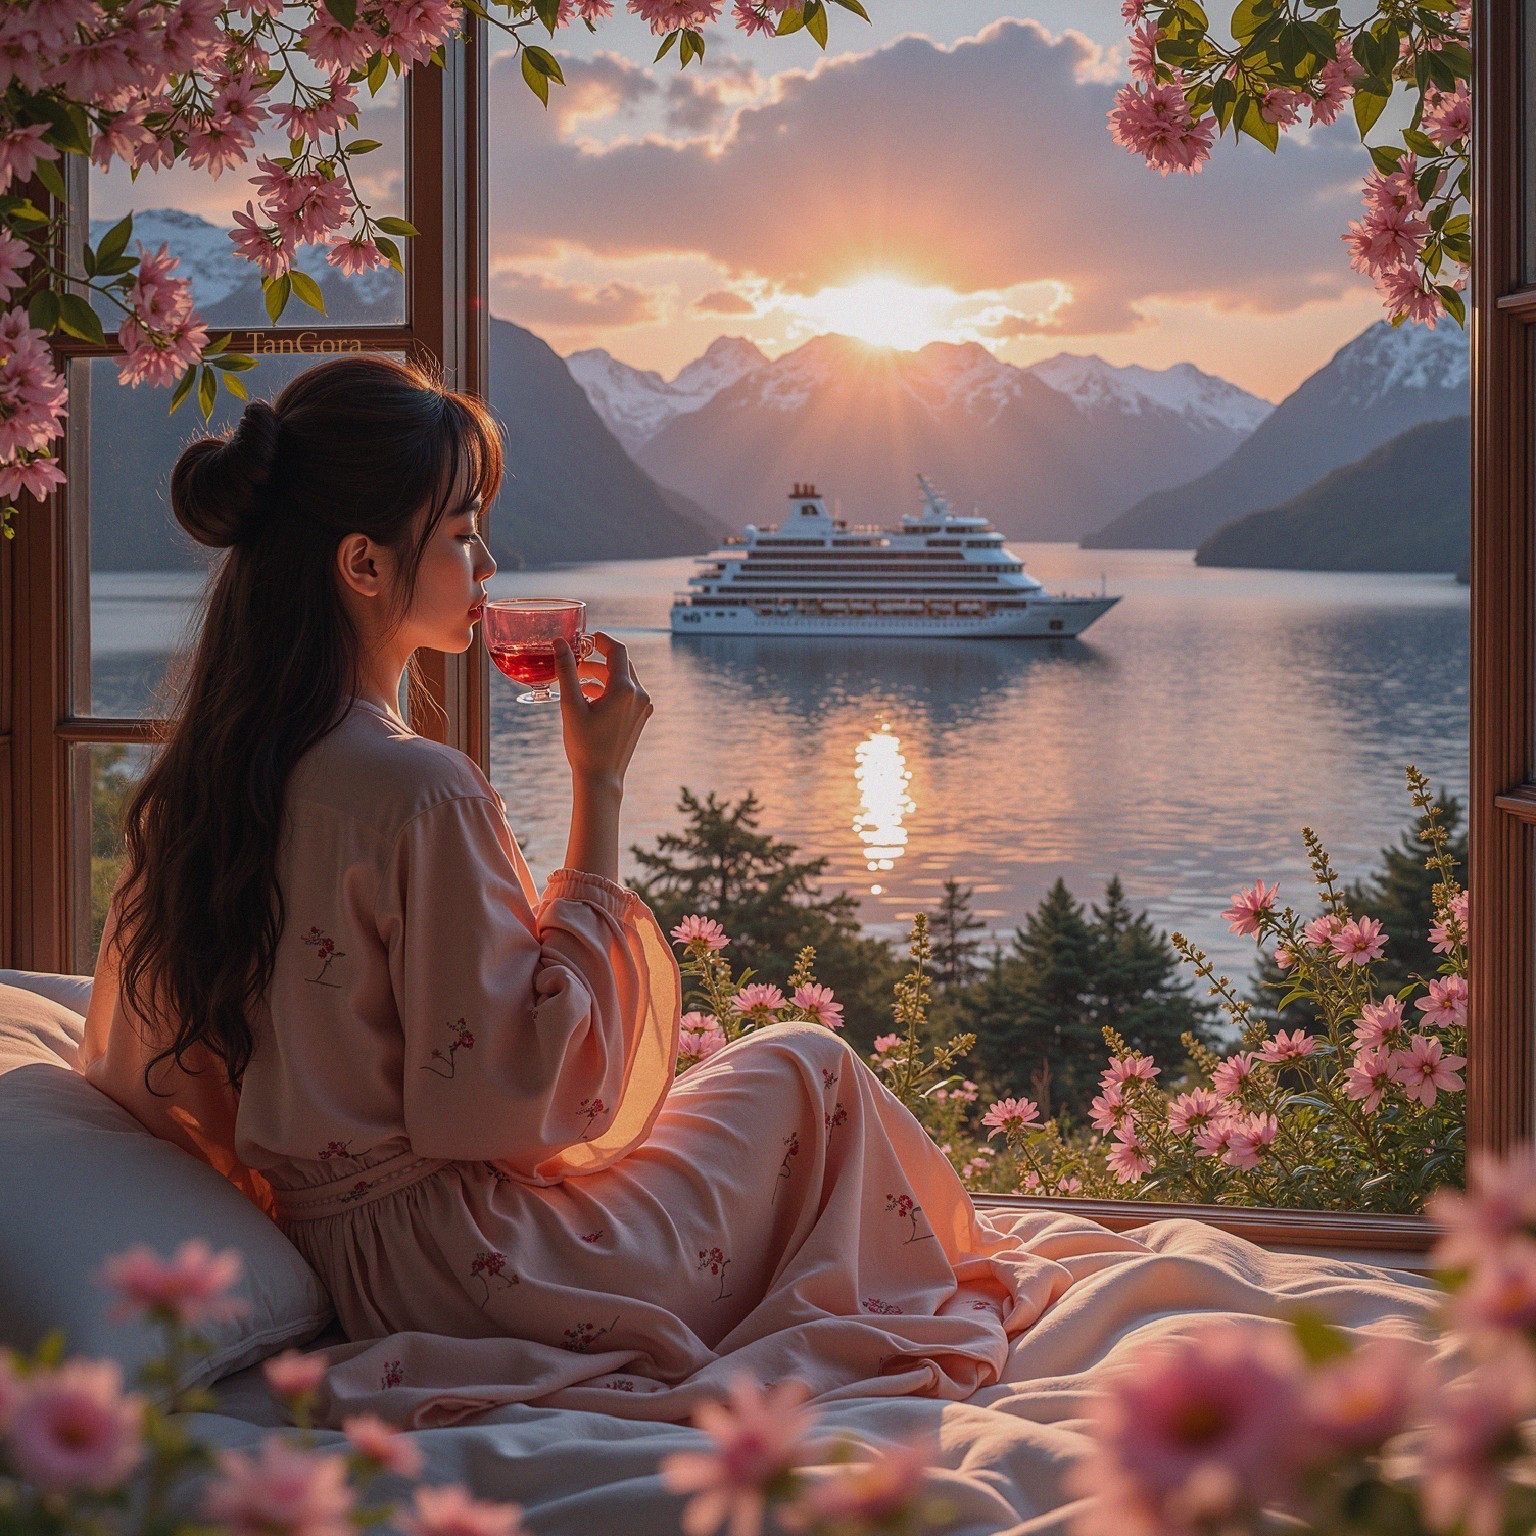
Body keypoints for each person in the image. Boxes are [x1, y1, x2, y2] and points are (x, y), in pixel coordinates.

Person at [78, 353, 1072, 1427]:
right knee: (811, 1067)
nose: (488, 563)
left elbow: (149, 1071)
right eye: (460, 534)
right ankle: (936, 1266)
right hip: (490, 1271)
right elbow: (519, 1102)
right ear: (364, 564)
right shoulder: (418, 790)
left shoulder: (205, 783)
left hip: (342, 1260)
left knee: (766, 1082)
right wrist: (599, 783)